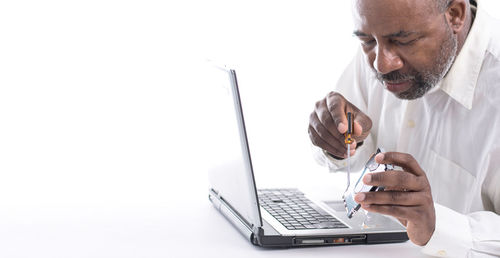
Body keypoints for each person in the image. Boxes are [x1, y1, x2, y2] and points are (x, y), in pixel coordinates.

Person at [308, 0, 500, 257]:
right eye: (367, 41)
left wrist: (436, 226)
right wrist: (338, 141)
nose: (381, 66)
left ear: (455, 15)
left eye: (405, 41)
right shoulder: (383, 36)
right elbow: (342, 159)